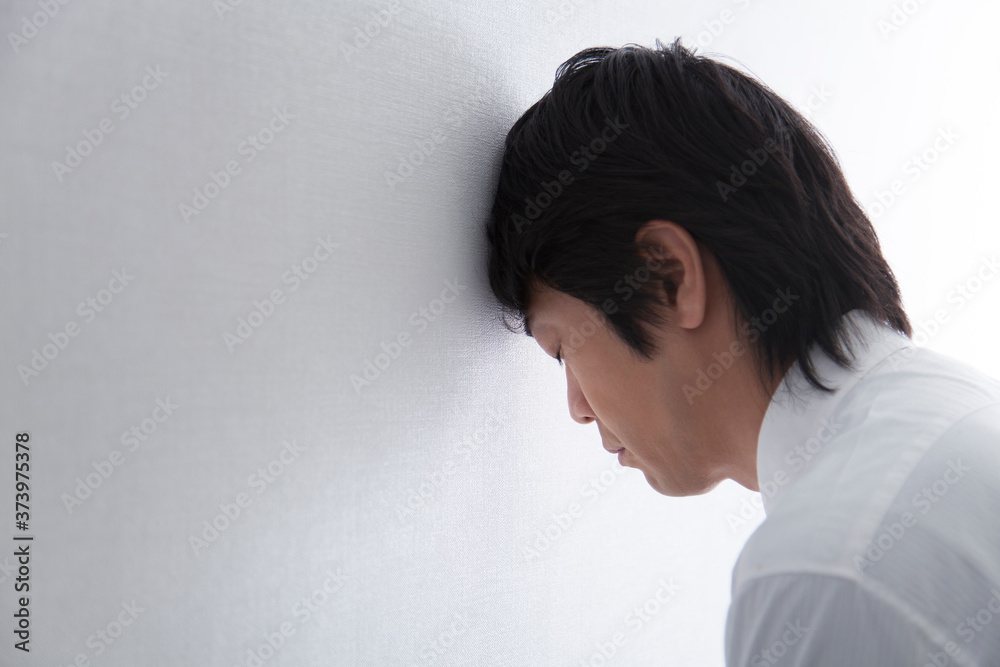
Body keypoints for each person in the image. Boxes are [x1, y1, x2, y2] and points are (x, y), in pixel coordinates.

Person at [484, 38, 1000, 665]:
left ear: (668, 276)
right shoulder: (966, 413)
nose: (578, 408)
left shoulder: (827, 573)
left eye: (563, 347)